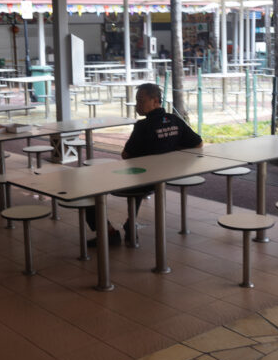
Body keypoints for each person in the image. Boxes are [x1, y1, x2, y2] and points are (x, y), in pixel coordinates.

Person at [85, 83, 203, 246]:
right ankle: (129, 222)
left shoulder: (143, 126)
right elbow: (198, 144)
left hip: (142, 180)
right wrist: (172, 149)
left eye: (141, 101)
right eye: (137, 101)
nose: (137, 105)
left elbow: (126, 155)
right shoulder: (175, 120)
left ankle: (109, 232)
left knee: (87, 187)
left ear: (155, 101)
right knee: (138, 180)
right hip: (160, 180)